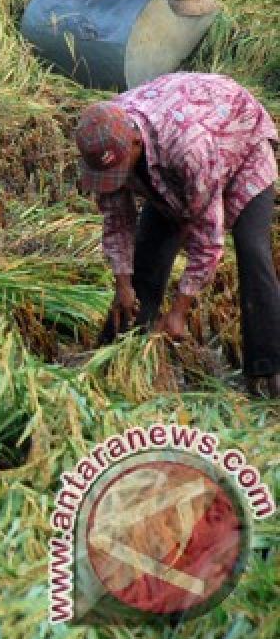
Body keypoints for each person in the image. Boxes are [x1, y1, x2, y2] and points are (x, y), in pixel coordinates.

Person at [75, 72, 279, 397]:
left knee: (252, 251)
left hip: (241, 149)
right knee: (147, 256)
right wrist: (123, 284)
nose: (114, 180)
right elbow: (117, 221)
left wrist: (179, 311)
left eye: (119, 170)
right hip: (171, 167)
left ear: (135, 144)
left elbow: (207, 239)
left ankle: (267, 369)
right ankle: (117, 357)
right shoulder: (104, 134)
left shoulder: (188, 148)